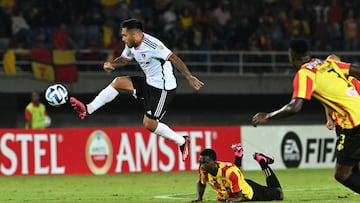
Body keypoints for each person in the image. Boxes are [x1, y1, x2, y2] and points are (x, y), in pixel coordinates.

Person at [69, 18, 204, 161]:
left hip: (163, 89)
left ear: (134, 34)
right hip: (149, 83)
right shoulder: (131, 45)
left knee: (149, 124)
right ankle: (88, 109)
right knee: (118, 82)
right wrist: (113, 65)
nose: (122, 38)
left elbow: (174, 58)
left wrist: (189, 77)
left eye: (124, 35)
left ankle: (182, 141)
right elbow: (124, 59)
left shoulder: (153, 45)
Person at [252, 39, 360, 194]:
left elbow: (294, 107)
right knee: (355, 169)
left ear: (292, 56)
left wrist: (268, 116)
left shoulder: (304, 74)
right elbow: (357, 70)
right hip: (355, 118)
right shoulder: (328, 63)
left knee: (342, 174)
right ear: (308, 53)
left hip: (354, 124)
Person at [190, 146, 283, 202]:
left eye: (205, 163)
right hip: (235, 183)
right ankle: (238, 156)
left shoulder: (229, 172)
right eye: (200, 162)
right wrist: (199, 198)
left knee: (279, 193)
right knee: (233, 175)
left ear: (214, 162)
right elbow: (201, 183)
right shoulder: (203, 170)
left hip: (250, 191)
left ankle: (262, 161)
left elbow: (239, 197)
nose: (201, 166)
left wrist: (228, 198)